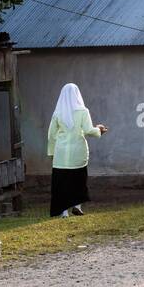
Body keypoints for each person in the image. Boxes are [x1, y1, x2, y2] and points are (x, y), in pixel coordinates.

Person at [46, 83, 107, 218]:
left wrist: (51, 152)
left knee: (62, 182)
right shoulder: (83, 111)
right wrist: (99, 130)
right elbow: (88, 130)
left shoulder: (57, 113)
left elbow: (51, 135)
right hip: (78, 152)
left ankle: (64, 211)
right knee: (78, 179)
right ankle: (77, 206)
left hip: (61, 154)